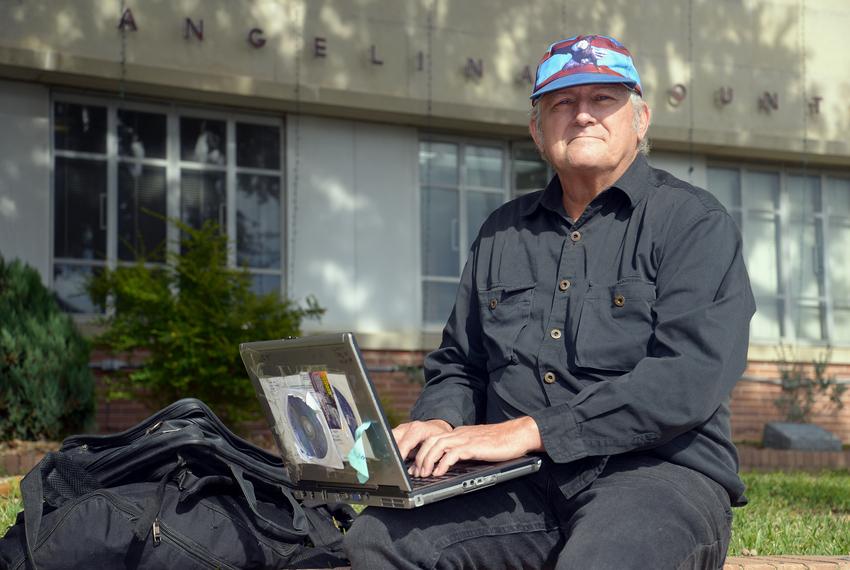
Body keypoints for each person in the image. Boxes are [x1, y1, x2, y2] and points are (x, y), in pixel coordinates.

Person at [344, 34, 755, 569]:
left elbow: (688, 379)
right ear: (538, 131)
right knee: (378, 538)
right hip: (519, 485)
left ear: (641, 118)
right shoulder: (501, 233)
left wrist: (529, 431)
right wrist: (441, 423)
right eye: (563, 102)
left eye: (603, 99)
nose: (583, 115)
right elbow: (460, 366)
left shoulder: (693, 223)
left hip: (656, 476)